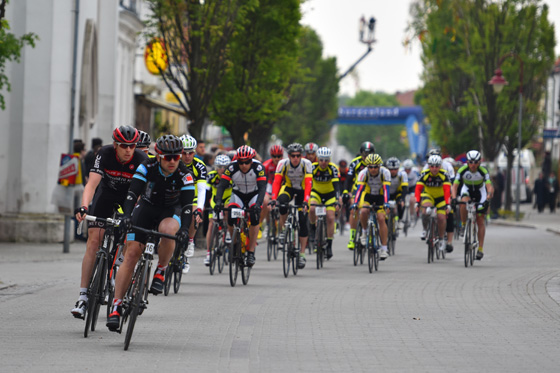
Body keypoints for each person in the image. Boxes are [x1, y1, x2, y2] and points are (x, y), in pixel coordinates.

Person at [106, 135, 195, 330]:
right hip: (146, 207)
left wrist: (185, 232)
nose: (173, 162)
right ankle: (116, 305)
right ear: (159, 157)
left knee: (168, 230)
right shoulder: (146, 167)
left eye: (176, 157)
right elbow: (132, 194)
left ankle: (161, 271)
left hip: (171, 210)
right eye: (168, 158)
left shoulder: (185, 174)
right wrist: (127, 216)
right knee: (131, 255)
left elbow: (188, 207)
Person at [71, 126, 147, 319]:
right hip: (105, 196)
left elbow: (142, 194)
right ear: (115, 145)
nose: (128, 150)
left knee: (129, 238)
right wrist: (84, 207)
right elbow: (92, 183)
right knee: (94, 241)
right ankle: (83, 297)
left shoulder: (141, 159)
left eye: (132, 146)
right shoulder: (104, 153)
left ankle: (117, 270)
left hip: (128, 199)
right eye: (123, 146)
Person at [215, 146, 267, 268]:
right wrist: (218, 202)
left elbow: (262, 188)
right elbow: (222, 186)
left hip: (253, 195)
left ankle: (251, 251)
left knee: (254, 217)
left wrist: (258, 204)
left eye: (247, 162)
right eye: (241, 162)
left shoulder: (258, 167)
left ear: (251, 160)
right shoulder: (231, 167)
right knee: (231, 216)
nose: (244, 165)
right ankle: (234, 243)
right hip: (238, 194)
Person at [269, 143, 313, 265]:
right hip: (288, 187)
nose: (295, 158)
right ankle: (284, 230)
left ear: (301, 156)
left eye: (298, 155)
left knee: (303, 220)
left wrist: (306, 201)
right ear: (288, 156)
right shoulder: (282, 164)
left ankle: (302, 254)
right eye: (293, 156)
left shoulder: (307, 164)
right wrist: (273, 198)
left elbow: (309, 184)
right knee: (282, 203)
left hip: (303, 191)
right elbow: (277, 182)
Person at [452, 150, 494, 260]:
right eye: (470, 162)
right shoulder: (462, 170)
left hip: (480, 192)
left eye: (475, 162)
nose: (473, 165)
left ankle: (480, 249)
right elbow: (455, 186)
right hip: (467, 190)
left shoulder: (483, 170)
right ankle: (464, 224)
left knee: (480, 219)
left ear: (479, 162)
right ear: (467, 162)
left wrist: (489, 196)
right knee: (463, 203)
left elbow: (489, 186)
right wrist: (453, 197)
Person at [352, 154, 390, 260]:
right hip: (368, 195)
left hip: (381, 196)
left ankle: (384, 248)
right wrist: (355, 203)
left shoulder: (385, 173)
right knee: (363, 211)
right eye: (370, 167)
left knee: (381, 218)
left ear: (379, 166)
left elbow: (386, 189)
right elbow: (359, 190)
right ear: (367, 167)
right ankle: (364, 233)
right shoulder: (363, 173)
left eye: (375, 167)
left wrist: (386, 203)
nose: (373, 169)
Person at [179, 134, 207, 273]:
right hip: (175, 195)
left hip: (193, 197)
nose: (187, 156)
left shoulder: (199, 166)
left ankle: (190, 240)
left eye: (191, 153)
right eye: (184, 153)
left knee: (193, 212)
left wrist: (200, 209)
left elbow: (202, 190)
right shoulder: (173, 161)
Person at [308, 147, 341, 261]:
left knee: (330, 217)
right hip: (316, 193)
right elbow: (307, 183)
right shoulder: (312, 168)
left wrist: (337, 200)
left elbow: (337, 186)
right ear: (318, 159)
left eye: (326, 160)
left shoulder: (333, 168)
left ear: (329, 160)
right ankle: (312, 228)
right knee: (312, 209)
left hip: (330, 195)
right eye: (321, 160)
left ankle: (329, 246)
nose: (323, 163)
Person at [415, 154, 452, 253]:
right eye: (432, 166)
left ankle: (440, 239)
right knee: (426, 210)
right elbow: (418, 189)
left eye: (437, 166)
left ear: (440, 166)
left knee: (441, 217)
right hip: (429, 196)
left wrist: (448, 204)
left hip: (441, 198)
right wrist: (417, 203)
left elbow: (447, 191)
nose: (434, 169)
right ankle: (425, 229)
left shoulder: (444, 175)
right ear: (428, 166)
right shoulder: (424, 174)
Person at [422, 148, 455, 252]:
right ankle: (426, 229)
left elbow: (452, 184)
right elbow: (422, 184)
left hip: (445, 191)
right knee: (426, 209)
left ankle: (448, 241)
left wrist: (452, 198)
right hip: (431, 192)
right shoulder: (426, 167)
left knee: (449, 214)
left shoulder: (447, 167)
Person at [344, 141, 375, 250]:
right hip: (357, 189)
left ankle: (371, 232)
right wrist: (346, 192)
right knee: (354, 208)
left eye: (369, 154)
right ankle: (352, 238)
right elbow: (348, 179)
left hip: (371, 189)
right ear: (361, 153)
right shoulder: (355, 162)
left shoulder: (376, 163)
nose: (366, 156)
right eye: (364, 154)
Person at [204, 154, 232, 266]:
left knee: (227, 209)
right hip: (215, 201)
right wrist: (204, 205)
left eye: (225, 167)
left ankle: (228, 233)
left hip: (229, 199)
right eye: (219, 166)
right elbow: (205, 191)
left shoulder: (232, 177)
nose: (222, 169)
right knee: (211, 224)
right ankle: (208, 253)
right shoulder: (211, 176)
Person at [385, 157, 408, 228]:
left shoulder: (402, 174)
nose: (393, 171)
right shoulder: (384, 174)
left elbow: (404, 188)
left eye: (395, 169)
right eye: (391, 169)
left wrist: (402, 199)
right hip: (387, 193)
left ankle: (400, 220)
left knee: (401, 204)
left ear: (398, 168)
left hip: (397, 193)